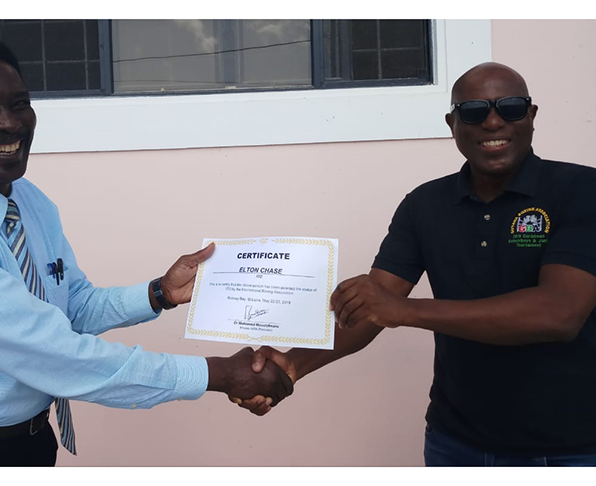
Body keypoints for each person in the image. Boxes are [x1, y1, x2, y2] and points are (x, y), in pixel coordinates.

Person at [0, 34, 293, 466]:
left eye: (19, 103)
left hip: (23, 445)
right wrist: (218, 373)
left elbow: (71, 308)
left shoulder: (28, 200)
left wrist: (159, 292)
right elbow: (50, 353)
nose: (9, 123)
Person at [235, 62, 596, 466]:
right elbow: (374, 306)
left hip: (573, 449)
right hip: (456, 443)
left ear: (531, 116)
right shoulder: (425, 204)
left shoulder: (581, 190)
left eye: (510, 107)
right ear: (452, 123)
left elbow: (560, 313)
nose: (493, 122)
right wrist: (291, 366)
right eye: (474, 111)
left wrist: (405, 311)